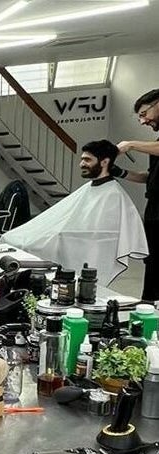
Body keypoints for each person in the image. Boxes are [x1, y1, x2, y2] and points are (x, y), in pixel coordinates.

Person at [0, 140, 146, 284]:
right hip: (65, 238)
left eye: (87, 160)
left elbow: (100, 235)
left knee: (31, 244)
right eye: (82, 160)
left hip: (81, 247)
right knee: (11, 238)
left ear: (104, 162)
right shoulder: (92, 188)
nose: (82, 164)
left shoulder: (113, 194)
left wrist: (60, 235)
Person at [115, 89, 159, 300]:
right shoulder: (155, 144)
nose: (143, 121)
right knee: (152, 263)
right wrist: (119, 172)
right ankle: (148, 306)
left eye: (144, 114)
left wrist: (131, 144)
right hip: (154, 211)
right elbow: (148, 177)